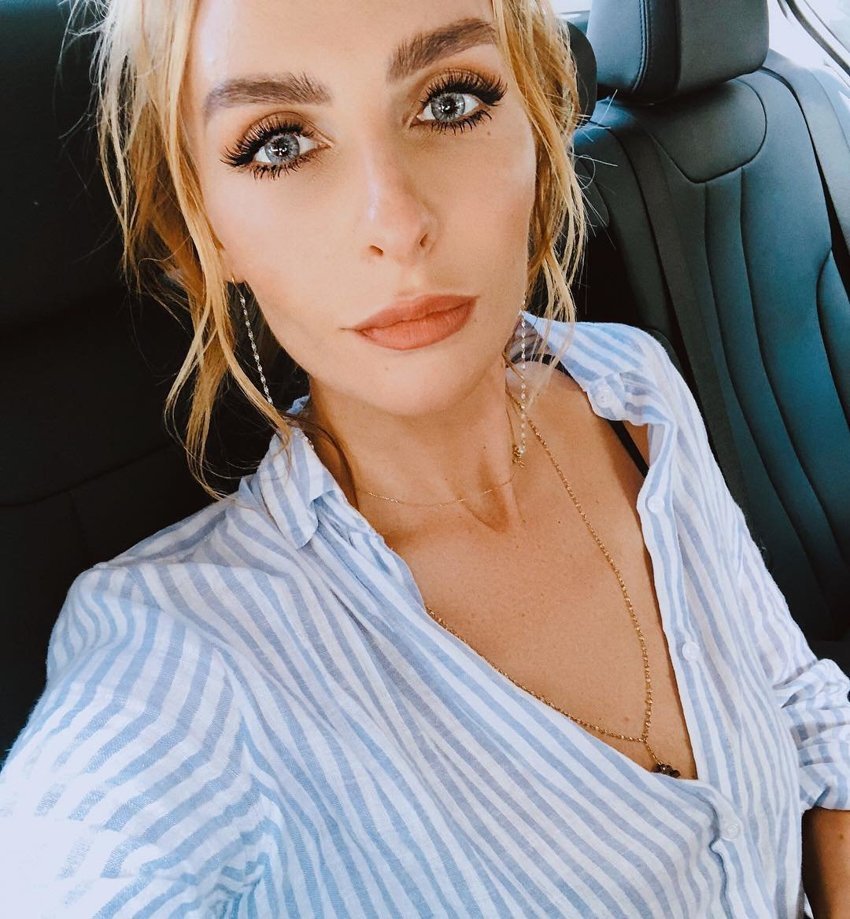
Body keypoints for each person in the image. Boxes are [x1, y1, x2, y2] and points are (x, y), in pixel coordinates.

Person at [1, 0, 849, 915]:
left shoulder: (633, 390)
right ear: (206, 230)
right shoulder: (172, 658)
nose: (397, 221)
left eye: (451, 102)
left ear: (538, 130)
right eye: (280, 143)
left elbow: (803, 712)